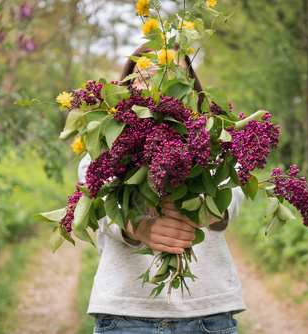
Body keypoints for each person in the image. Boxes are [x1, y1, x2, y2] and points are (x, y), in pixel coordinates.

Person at [80, 45, 246, 333]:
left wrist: (198, 215)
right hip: (125, 311)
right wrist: (141, 228)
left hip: (207, 311)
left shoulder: (211, 135)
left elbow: (233, 192)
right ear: (128, 85)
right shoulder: (106, 138)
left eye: (176, 73)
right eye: (147, 74)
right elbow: (98, 204)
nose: (160, 83)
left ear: (191, 85)